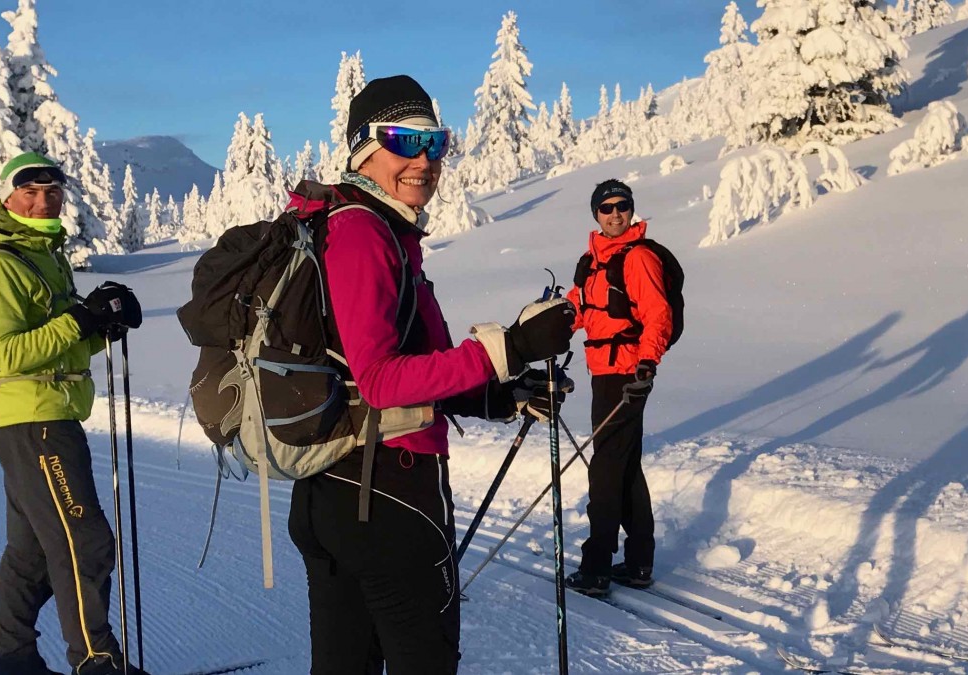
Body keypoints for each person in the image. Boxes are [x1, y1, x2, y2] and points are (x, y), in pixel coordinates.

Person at [283, 75, 575, 674]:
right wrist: (511, 347)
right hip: (388, 495)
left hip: (339, 489)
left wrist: (499, 395)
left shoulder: (363, 227)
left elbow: (396, 365)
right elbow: (381, 381)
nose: (423, 160)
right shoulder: (363, 233)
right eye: (404, 140)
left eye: (434, 143)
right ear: (364, 147)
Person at [0, 152, 147, 675]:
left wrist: (100, 325)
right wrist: (80, 319)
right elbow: (10, 354)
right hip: (35, 421)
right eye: (30, 191)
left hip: (45, 416)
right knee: (84, 542)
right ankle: (95, 661)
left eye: (52, 191)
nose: (43, 200)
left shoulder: (44, 255)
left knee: (31, 554)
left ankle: (14, 660)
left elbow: (59, 348)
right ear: (7, 196)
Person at [562, 179, 676, 597]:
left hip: (627, 376)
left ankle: (596, 567)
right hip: (603, 374)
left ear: (631, 210)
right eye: (606, 207)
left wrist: (647, 365)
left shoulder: (638, 257)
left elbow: (658, 314)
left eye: (622, 206)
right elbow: (577, 308)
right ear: (596, 214)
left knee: (606, 471)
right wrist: (543, 327)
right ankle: (639, 562)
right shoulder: (591, 261)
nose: (615, 214)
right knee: (624, 469)